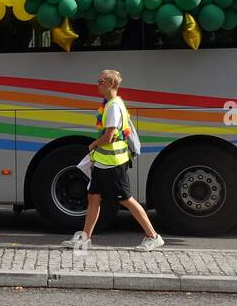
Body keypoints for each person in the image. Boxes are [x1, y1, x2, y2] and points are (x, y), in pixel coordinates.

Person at [62, 69, 166, 251]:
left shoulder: (113, 107)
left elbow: (109, 136)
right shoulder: (111, 104)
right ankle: (85, 239)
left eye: (101, 81)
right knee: (93, 197)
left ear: (111, 84)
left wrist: (93, 144)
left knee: (126, 199)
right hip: (104, 162)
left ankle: (153, 236)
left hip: (114, 163)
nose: (97, 84)